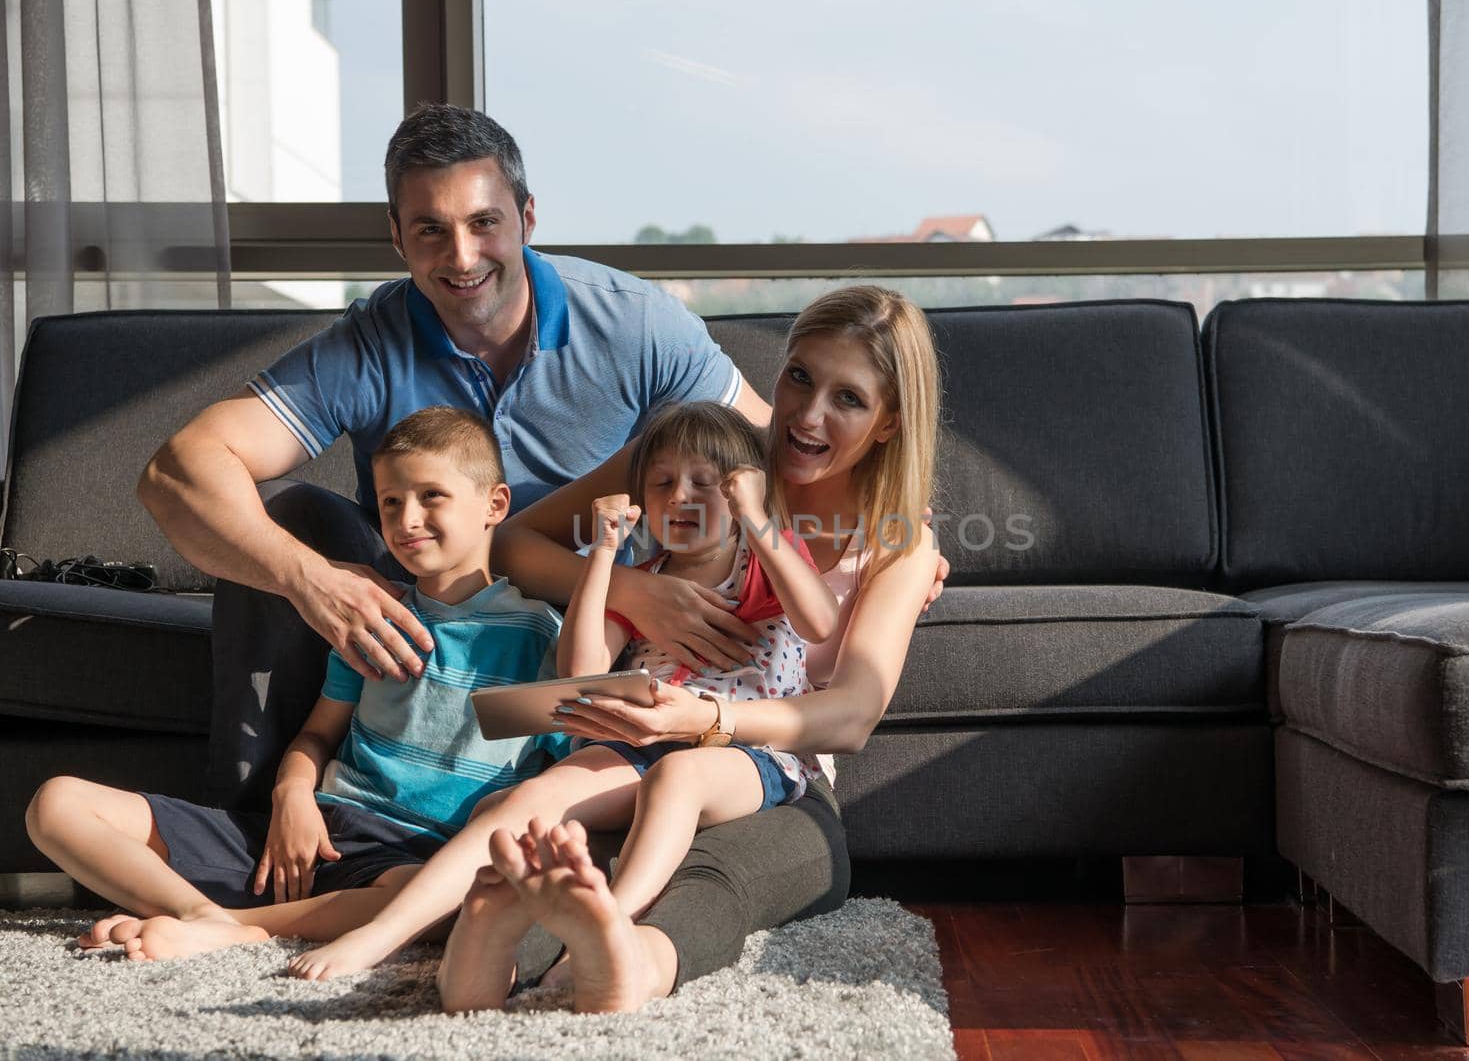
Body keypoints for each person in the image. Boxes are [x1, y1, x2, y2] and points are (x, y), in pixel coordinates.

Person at [138, 103, 773, 815]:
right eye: (431, 231)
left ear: (527, 218)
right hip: (428, 636)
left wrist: (891, 548)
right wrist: (309, 580)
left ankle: (514, 834)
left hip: (595, 635)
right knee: (292, 520)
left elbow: (770, 457)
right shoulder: (369, 344)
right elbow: (175, 472)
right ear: (397, 238)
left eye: (483, 223)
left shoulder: (636, 323)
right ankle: (256, 828)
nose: (462, 257)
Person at [433, 284, 944, 1014]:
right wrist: (635, 593)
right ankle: (490, 959)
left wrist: (702, 720)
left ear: (890, 422)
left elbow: (852, 715)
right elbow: (513, 540)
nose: (807, 414)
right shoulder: (700, 454)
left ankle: (625, 966)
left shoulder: (899, 539)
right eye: (799, 376)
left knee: (712, 882)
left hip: (777, 779)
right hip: (640, 751)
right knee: (559, 855)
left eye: (849, 400)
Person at [285, 401, 838, 982]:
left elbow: (819, 620)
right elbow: (581, 671)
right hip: (638, 744)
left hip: (741, 750)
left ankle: (614, 924)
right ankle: (381, 935)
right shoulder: (645, 581)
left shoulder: (763, 565)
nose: (680, 497)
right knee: (520, 803)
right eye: (663, 483)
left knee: (680, 777)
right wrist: (602, 555)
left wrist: (759, 517)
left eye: (706, 483)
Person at [25, 408, 571, 961]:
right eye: (390, 501)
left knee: (447, 899)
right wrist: (292, 797)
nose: (407, 519)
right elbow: (316, 737)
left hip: (409, 864)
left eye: (431, 496)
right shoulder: (373, 619)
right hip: (308, 838)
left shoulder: (540, 636)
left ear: (494, 505)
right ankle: (201, 915)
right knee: (56, 805)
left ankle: (240, 926)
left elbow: (558, 775)